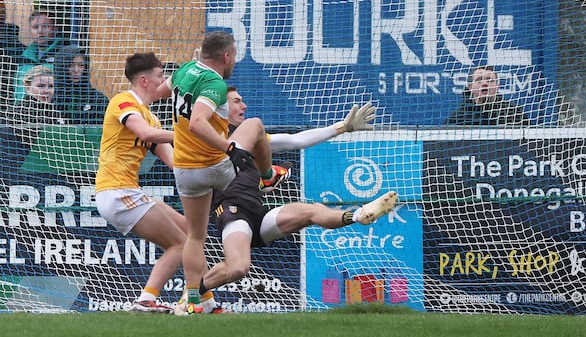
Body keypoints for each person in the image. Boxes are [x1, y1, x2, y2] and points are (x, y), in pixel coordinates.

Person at [175, 86, 397, 314]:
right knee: (239, 267)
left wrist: (341, 127)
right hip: (233, 211)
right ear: (220, 107)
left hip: (258, 214)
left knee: (310, 212)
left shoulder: (254, 140)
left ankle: (358, 215)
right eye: (236, 101)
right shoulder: (211, 141)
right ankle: (193, 293)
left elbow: (295, 140)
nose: (244, 106)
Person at [155, 31, 289, 315]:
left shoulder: (183, 71)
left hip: (185, 170)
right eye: (235, 56)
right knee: (254, 125)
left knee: (195, 237)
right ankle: (267, 175)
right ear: (226, 56)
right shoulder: (215, 83)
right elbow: (197, 123)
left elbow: (159, 93)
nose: (234, 62)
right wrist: (229, 149)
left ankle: (194, 302)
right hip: (215, 165)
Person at [94, 52, 183, 314]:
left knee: (191, 232)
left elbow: (176, 164)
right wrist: (189, 134)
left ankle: (202, 299)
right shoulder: (123, 101)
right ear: (144, 80)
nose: (164, 80)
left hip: (127, 192)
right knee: (181, 244)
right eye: (160, 75)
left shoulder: (152, 117)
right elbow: (145, 133)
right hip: (117, 191)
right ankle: (146, 299)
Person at [445, 65, 531, 126]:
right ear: (470, 87)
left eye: (490, 80)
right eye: (479, 80)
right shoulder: (458, 118)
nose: (485, 83)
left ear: (497, 86)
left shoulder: (514, 113)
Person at [4, 65, 66, 148]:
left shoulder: (57, 113)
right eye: (40, 86)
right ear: (27, 87)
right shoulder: (15, 114)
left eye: (51, 86)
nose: (47, 91)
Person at [14, 11, 68, 101]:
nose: (40, 31)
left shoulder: (64, 55)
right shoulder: (23, 57)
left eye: (46, 26)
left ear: (56, 28)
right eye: (35, 27)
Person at [53, 44, 108, 125]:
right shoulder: (51, 97)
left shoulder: (98, 99)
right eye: (71, 65)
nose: (76, 70)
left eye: (81, 65)